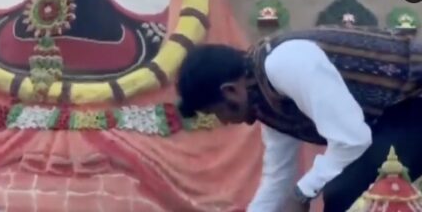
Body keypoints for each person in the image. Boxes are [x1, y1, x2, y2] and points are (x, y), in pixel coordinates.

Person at [176, 26, 422, 212]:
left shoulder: (283, 64)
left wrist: (302, 194)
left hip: (414, 98)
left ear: (230, 91)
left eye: (216, 112)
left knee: (343, 192)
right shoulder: (268, 100)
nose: (225, 121)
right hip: (400, 113)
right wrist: (296, 194)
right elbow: (278, 179)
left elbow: (352, 140)